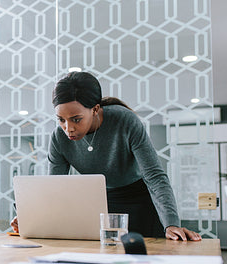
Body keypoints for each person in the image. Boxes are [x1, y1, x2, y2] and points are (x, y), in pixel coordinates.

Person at [11, 71, 201, 241]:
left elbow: (155, 177)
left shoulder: (125, 120)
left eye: (76, 119)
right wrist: (31, 218)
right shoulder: (59, 138)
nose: (68, 128)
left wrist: (171, 224)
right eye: (61, 120)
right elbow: (55, 189)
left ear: (95, 109)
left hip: (140, 201)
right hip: (99, 204)